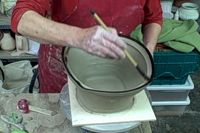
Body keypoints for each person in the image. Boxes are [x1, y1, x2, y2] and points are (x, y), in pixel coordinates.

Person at [11, 0, 163, 93]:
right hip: (61, 65)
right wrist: (79, 37)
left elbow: (153, 17)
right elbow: (22, 19)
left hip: (120, 59)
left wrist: (148, 50)